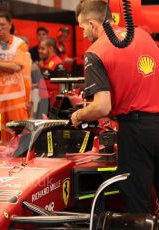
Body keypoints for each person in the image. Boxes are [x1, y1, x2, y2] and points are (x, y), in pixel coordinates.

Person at [72, 0, 159, 214]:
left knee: (137, 203)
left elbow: (102, 106)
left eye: (82, 27)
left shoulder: (96, 52)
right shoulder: (143, 35)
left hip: (136, 131)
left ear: (93, 24)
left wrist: (79, 115)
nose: (83, 34)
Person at [0, 10, 31, 142]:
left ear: (10, 25)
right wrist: (8, 66)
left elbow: (17, 67)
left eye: (3, 24)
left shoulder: (19, 43)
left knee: (20, 138)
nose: (0, 28)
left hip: (17, 99)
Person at [37, 37, 67, 118]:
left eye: (42, 48)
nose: (39, 51)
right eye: (39, 48)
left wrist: (58, 105)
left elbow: (63, 86)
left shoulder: (58, 63)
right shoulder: (45, 62)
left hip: (52, 103)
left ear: (50, 48)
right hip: (43, 100)